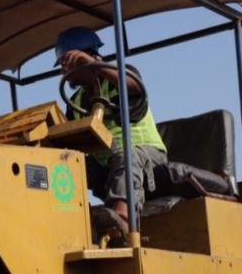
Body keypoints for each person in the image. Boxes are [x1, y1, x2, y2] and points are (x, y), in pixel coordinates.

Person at [55, 26, 167, 233]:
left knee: (126, 155)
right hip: (104, 163)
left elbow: (133, 85)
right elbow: (69, 138)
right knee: (65, 165)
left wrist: (93, 64)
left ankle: (123, 218)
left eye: (70, 62)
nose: (65, 70)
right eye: (63, 65)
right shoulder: (75, 101)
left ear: (89, 56)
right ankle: (66, 222)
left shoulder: (121, 77)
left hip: (146, 154)